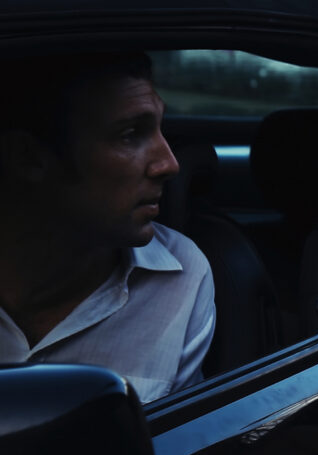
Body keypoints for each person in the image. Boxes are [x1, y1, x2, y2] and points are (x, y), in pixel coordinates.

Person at [0, 52, 216, 403]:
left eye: (160, 128)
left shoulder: (181, 275)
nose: (169, 164)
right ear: (28, 157)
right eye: (130, 134)